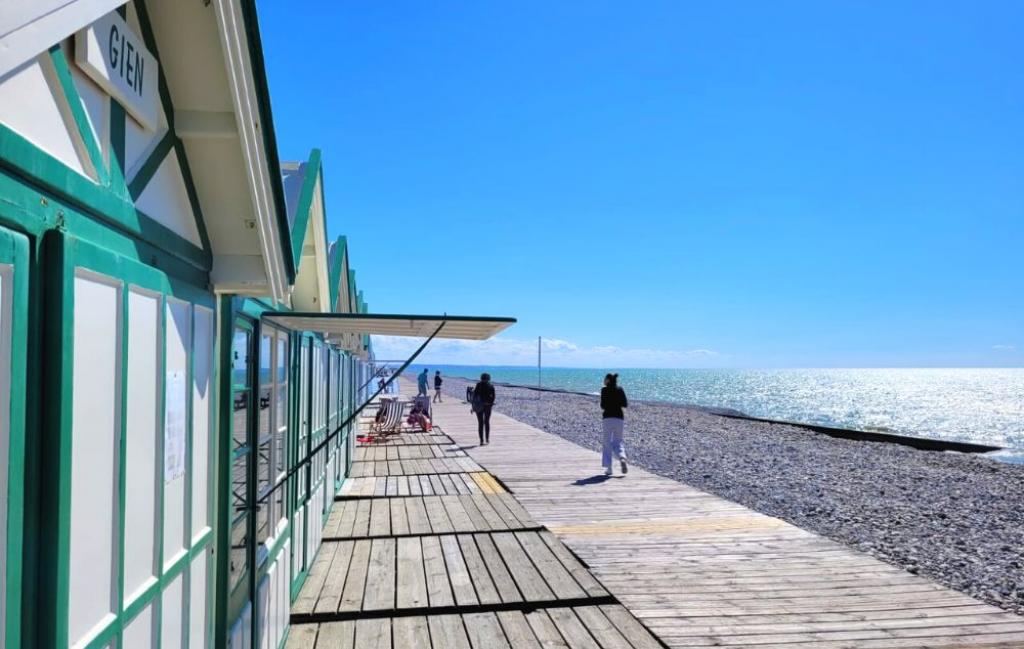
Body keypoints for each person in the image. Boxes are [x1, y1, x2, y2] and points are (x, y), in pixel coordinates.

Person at [600, 373, 628, 476]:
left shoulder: (604, 390)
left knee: (607, 443)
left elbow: (602, 406)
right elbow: (625, 404)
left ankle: (609, 468)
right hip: (619, 418)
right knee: (618, 441)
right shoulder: (620, 389)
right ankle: (622, 457)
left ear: (607, 380)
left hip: (607, 418)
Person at [471, 372, 496, 445]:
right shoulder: (491, 386)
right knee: (487, 422)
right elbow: (493, 397)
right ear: (488, 378)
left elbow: (474, 396)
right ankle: (487, 439)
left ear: (481, 378)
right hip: (488, 406)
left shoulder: (478, 385)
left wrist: (473, 407)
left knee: (480, 423)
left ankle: (481, 440)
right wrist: (490, 404)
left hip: (479, 406)